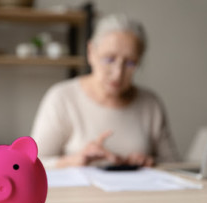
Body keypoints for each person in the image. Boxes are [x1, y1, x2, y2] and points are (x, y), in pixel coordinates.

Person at [31, 14, 180, 169]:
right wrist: (73, 161)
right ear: (91, 52)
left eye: (130, 63)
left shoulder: (150, 103)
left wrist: (150, 163)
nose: (118, 73)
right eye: (109, 59)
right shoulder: (62, 98)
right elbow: (31, 164)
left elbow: (175, 165)